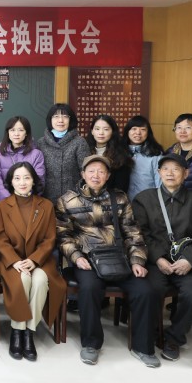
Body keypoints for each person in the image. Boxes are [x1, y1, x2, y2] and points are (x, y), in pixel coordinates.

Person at [56, 154, 160, 368]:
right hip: (87, 259)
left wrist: (137, 260)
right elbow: (63, 235)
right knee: (89, 289)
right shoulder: (67, 200)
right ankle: (91, 344)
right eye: (91, 171)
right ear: (83, 174)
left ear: (108, 175)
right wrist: (76, 257)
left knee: (145, 290)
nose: (96, 175)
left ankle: (143, 347)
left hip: (118, 258)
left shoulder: (119, 198)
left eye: (101, 171)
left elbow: (133, 232)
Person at [132, 153, 192, 361]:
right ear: (159, 173)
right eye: (165, 169)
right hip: (155, 262)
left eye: (176, 169)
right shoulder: (144, 199)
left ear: (186, 174)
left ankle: (174, 338)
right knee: (151, 290)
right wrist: (158, 258)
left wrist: (188, 260)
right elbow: (140, 234)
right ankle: (151, 333)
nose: (170, 173)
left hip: (185, 263)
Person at [0, 162, 66, 361]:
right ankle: (17, 330)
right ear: (11, 182)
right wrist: (15, 261)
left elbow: (49, 239)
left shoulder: (46, 206)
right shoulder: (3, 206)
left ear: (34, 180)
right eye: (17, 178)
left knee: (41, 281)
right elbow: (0, 238)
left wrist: (34, 260)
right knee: (23, 280)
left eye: (27, 177)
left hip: (39, 260)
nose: (22, 182)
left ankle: (29, 332)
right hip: (11, 260)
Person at [36, 103, 90, 204]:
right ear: (50, 120)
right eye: (56, 116)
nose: (60, 120)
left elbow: (86, 172)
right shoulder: (41, 143)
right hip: (45, 200)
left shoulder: (79, 142)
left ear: (70, 120)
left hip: (73, 201)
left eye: (65, 116)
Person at [0, 116, 46, 201]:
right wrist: (8, 200)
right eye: (12, 130)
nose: (16, 134)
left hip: (29, 202)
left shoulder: (36, 154)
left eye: (21, 130)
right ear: (8, 132)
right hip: (3, 201)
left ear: (26, 133)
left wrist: (23, 200)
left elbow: (39, 181)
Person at [85, 114, 132, 193]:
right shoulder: (84, 151)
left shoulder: (120, 155)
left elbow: (121, 187)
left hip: (111, 198)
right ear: (92, 131)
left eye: (106, 129)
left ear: (112, 132)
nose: (101, 133)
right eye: (97, 129)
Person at [123, 115, 163, 201]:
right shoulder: (120, 151)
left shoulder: (155, 154)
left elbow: (160, 183)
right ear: (127, 131)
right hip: (124, 203)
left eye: (143, 129)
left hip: (148, 202)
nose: (138, 133)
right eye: (134, 129)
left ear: (148, 133)